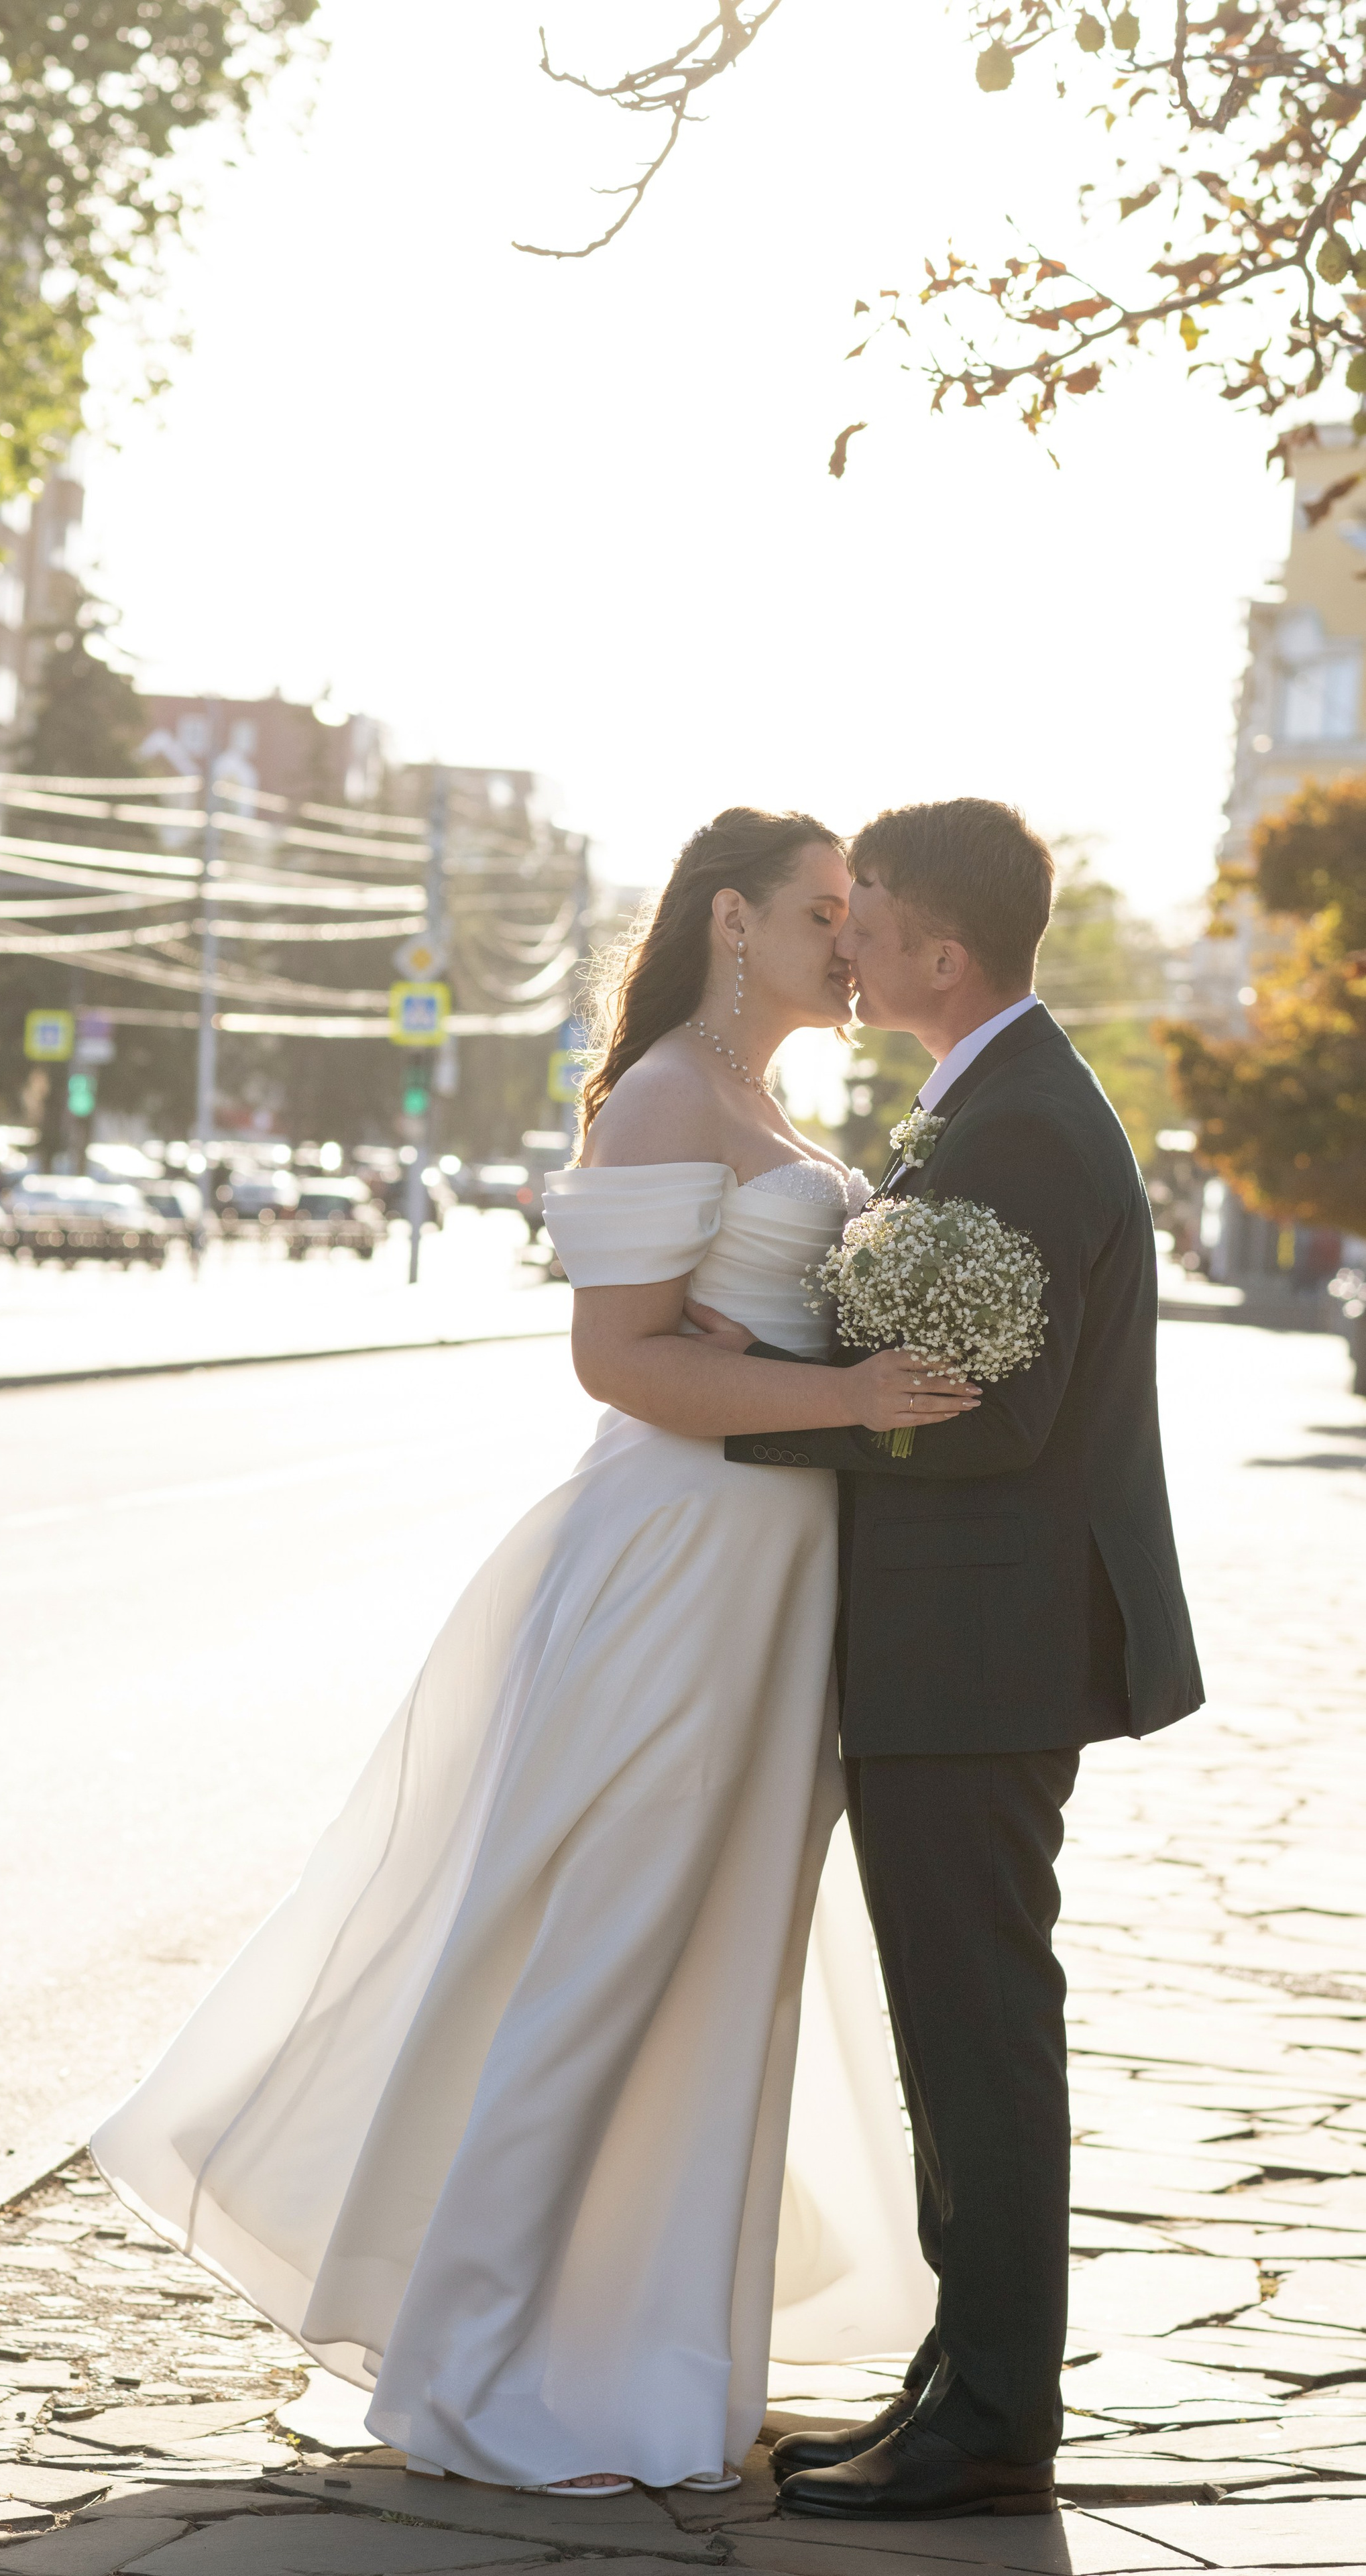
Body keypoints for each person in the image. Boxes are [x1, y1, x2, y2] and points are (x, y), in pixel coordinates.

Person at [89, 807, 974, 2495]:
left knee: (716, 1960)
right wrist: (848, 1393)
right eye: (817, 911)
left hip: (773, 1585)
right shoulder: (661, 1094)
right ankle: (481, 2365)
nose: (845, 943)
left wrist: (837, 1352)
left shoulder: (770, 1109)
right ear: (729, 920)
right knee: (604, 1954)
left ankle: (650, 2366)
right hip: (673, 1572)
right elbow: (619, 1363)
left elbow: (726, 1326)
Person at [691, 797, 1204, 2523]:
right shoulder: (993, 1102)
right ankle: (957, 2377)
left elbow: (982, 1421)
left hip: (979, 1656)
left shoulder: (1026, 1131)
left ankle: (990, 2421)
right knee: (954, 2028)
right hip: (959, 1651)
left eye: (870, 915)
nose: (845, 940)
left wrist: (758, 1413)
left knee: (978, 2033)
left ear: (939, 956)